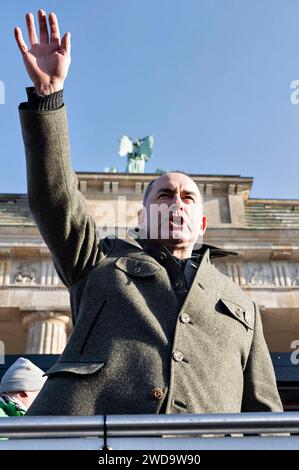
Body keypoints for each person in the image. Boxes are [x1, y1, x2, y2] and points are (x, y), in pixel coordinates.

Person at [14, 10, 283, 416]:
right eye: (163, 196)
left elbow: (265, 412)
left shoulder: (240, 304)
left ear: (202, 223)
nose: (176, 203)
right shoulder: (99, 262)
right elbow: (56, 201)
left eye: (188, 198)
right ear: (141, 219)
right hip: (98, 447)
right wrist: (49, 96)